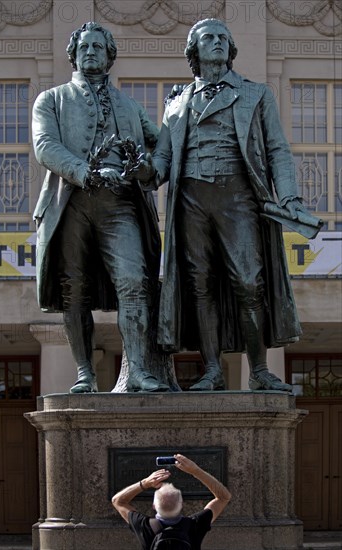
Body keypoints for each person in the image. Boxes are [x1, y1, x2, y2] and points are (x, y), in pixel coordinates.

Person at [136, 18, 322, 392]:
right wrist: (141, 168)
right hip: (190, 199)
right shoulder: (177, 102)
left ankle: (259, 371)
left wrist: (289, 198)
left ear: (231, 49)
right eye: (209, 38)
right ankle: (212, 371)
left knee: (249, 281)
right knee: (199, 284)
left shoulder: (256, 94)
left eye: (223, 38)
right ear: (195, 51)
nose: (218, 43)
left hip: (238, 197)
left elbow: (278, 152)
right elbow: (162, 164)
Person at [32, 21, 171, 393]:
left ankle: (138, 371)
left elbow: (161, 151)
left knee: (134, 283)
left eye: (98, 47)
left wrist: (146, 169)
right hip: (71, 203)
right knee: (73, 290)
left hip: (120, 205)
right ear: (73, 55)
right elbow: (45, 145)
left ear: (110, 57)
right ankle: (85, 374)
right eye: (85, 47)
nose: (91, 52)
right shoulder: (52, 99)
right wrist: (84, 171)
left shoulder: (130, 107)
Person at [111, 453, 231, 550]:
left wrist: (145, 483)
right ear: (181, 504)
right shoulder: (195, 524)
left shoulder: (145, 526)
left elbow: (118, 501)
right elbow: (224, 497)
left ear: (154, 505)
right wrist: (195, 470)